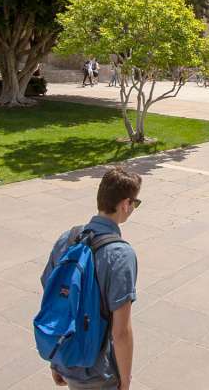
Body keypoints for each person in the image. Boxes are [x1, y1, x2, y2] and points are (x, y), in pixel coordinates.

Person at [40, 166, 141, 390]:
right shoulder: (121, 254)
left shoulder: (68, 238)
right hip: (98, 371)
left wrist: (56, 361)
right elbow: (121, 332)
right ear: (125, 204)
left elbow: (55, 302)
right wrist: (125, 382)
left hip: (66, 355)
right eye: (136, 203)